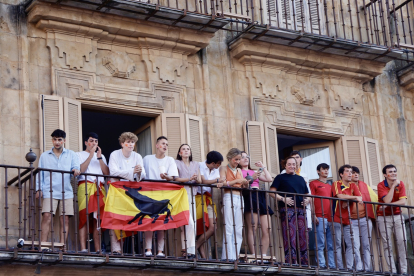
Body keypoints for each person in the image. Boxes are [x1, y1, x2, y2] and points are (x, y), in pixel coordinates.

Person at [36, 129, 80, 249]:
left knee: (65, 219)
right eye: (55, 139)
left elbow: (76, 167)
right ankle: (44, 245)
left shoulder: (71, 154)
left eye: (59, 139)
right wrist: (38, 189)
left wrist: (76, 170)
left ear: (64, 141)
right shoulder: (45, 156)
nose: (57, 142)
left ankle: (62, 246)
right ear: (52, 140)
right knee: (46, 216)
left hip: (67, 191)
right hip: (49, 190)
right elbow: (40, 173)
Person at [108, 132, 146, 254]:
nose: (130, 144)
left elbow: (142, 175)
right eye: (128, 142)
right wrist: (132, 171)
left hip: (131, 193)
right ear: (122, 143)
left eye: (132, 142)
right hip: (117, 192)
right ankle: (116, 249)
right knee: (115, 219)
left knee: (129, 219)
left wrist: (139, 172)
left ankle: (127, 249)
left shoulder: (138, 156)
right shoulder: (114, 154)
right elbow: (113, 172)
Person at [270, 155, 310, 265]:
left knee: (303, 236)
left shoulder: (301, 178)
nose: (292, 166)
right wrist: (283, 199)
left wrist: (307, 200)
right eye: (289, 164)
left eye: (294, 164)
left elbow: (307, 194)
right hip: (287, 210)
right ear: (285, 165)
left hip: (301, 210)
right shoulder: (280, 177)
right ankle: (291, 262)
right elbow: (271, 192)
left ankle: (304, 262)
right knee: (290, 235)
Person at [143, 136, 178, 257]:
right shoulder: (147, 159)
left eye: (167, 144)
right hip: (149, 193)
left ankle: (160, 251)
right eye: (163, 143)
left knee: (161, 222)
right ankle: (148, 249)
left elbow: (173, 177)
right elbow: (142, 174)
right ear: (157, 145)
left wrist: (166, 177)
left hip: (163, 194)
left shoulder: (170, 160)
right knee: (149, 221)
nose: (165, 146)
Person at [77, 132, 110, 253]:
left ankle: (97, 249)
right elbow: (81, 170)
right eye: (91, 141)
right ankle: (83, 248)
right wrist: (91, 155)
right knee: (84, 217)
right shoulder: (78, 155)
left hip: (99, 188)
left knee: (98, 219)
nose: (94, 143)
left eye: (96, 141)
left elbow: (107, 173)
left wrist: (99, 157)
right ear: (86, 142)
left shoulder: (102, 156)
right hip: (85, 187)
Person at [239, 151, 273, 258]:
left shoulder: (253, 171)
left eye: (247, 157)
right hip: (249, 195)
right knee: (252, 227)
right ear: (238, 160)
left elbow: (269, 179)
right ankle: (253, 255)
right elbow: (241, 184)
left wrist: (263, 167)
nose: (246, 159)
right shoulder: (239, 171)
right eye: (243, 157)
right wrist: (252, 177)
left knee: (267, 228)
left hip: (260, 195)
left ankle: (263, 255)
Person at [331, 164, 364, 270]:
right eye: (347, 171)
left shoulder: (353, 186)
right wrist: (351, 198)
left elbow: (360, 197)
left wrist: (347, 199)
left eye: (351, 171)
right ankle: (339, 267)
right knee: (337, 244)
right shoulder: (336, 183)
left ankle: (349, 267)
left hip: (348, 218)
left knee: (352, 244)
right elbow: (339, 196)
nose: (350, 174)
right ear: (341, 174)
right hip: (335, 217)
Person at [377, 164, 407, 274]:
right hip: (383, 217)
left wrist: (387, 205)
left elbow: (403, 202)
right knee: (387, 245)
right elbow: (387, 200)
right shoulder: (381, 185)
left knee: (402, 242)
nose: (394, 173)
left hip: (398, 216)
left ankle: (403, 271)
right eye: (390, 172)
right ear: (385, 175)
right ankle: (392, 271)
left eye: (395, 171)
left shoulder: (401, 184)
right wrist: (393, 186)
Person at [219, 148, 248, 261]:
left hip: (239, 197)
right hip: (228, 197)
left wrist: (245, 183)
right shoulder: (223, 168)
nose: (237, 162)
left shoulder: (239, 171)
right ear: (230, 158)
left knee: (238, 228)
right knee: (229, 227)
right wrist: (236, 181)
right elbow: (221, 183)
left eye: (239, 159)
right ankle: (227, 257)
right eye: (236, 159)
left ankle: (234, 256)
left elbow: (243, 186)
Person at [174, 144, 201, 258]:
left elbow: (199, 180)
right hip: (181, 194)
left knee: (191, 223)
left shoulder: (196, 164)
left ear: (190, 152)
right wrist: (190, 179)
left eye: (188, 149)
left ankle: (188, 250)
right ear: (180, 153)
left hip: (192, 194)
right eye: (183, 149)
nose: (186, 151)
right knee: (186, 222)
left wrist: (196, 178)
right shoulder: (176, 163)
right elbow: (175, 179)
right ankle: (188, 250)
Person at [195, 151, 224, 259]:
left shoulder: (216, 170)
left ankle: (195, 248)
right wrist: (217, 180)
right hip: (197, 198)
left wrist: (220, 182)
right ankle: (203, 256)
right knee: (201, 228)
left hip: (208, 199)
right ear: (213, 163)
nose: (219, 166)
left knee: (212, 227)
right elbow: (203, 181)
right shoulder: (199, 165)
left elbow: (218, 182)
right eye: (218, 163)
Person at [351, 166, 377, 271]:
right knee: (355, 245)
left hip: (365, 219)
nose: (356, 174)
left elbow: (375, 198)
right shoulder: (345, 186)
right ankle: (359, 267)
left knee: (366, 245)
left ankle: (367, 268)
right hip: (351, 220)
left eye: (357, 173)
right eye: (353, 172)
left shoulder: (365, 186)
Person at [309, 163, 335, 269]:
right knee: (320, 243)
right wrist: (313, 214)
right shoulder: (313, 183)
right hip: (319, 216)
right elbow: (311, 200)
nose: (326, 171)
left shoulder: (330, 186)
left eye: (327, 169)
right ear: (318, 171)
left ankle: (332, 265)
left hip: (331, 218)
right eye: (324, 169)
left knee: (331, 244)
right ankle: (321, 264)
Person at [281, 151, 312, 230]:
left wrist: (308, 200)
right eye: (293, 158)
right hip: (290, 207)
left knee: (304, 232)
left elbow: (308, 193)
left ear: (301, 159)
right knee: (292, 231)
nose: (295, 160)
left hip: (304, 207)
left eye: (297, 157)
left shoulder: (304, 175)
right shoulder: (284, 173)